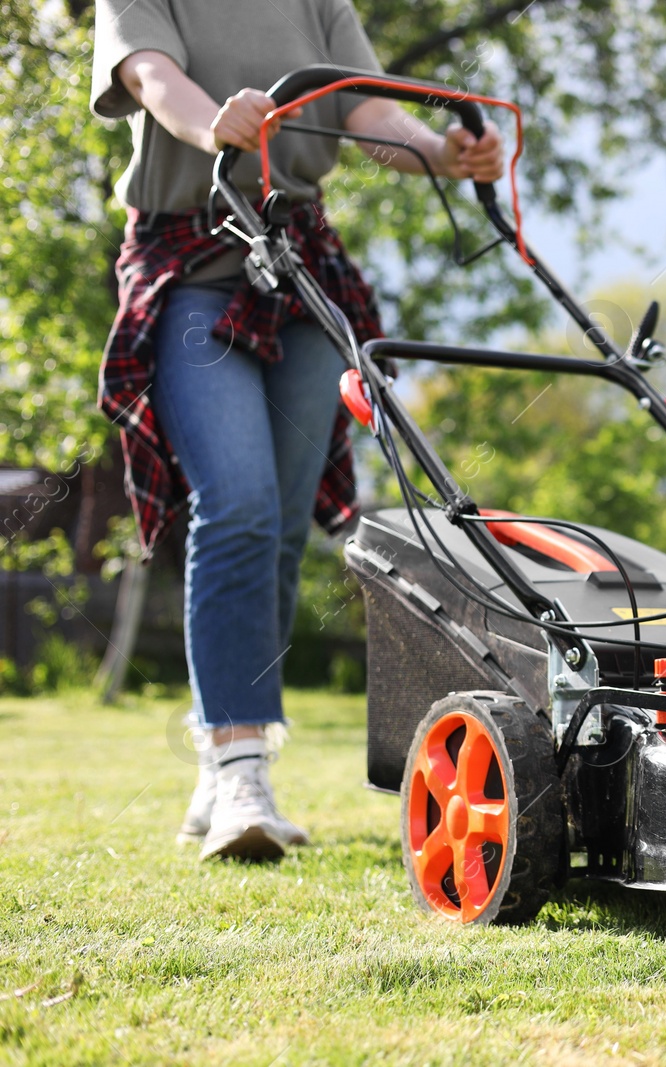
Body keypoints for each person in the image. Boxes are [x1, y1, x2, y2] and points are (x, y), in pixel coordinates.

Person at [90, 0, 504, 860]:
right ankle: (238, 772)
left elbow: (368, 110)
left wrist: (441, 150)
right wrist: (219, 126)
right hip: (190, 266)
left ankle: (229, 758)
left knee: (278, 525)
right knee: (235, 502)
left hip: (297, 265)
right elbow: (155, 79)